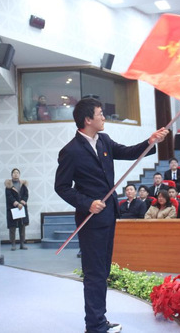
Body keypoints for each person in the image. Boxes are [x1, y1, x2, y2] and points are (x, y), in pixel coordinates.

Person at [54, 97, 167, 333]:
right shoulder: (71, 151)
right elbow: (62, 187)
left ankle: (99, 320)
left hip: (108, 216)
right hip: (91, 219)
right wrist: (87, 203)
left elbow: (128, 152)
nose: (104, 117)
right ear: (88, 119)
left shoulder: (104, 140)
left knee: (103, 270)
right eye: (100, 113)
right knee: (95, 273)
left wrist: (150, 141)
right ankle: (95, 326)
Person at [5, 168, 29, 250]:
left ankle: (22, 244)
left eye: (17, 173)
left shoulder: (23, 185)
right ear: (11, 175)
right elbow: (9, 196)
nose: (16, 174)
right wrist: (16, 203)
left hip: (21, 208)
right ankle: (13, 244)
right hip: (12, 208)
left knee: (22, 226)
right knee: (12, 227)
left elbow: (26, 194)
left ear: (19, 174)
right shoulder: (8, 185)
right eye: (14, 173)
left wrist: (23, 201)